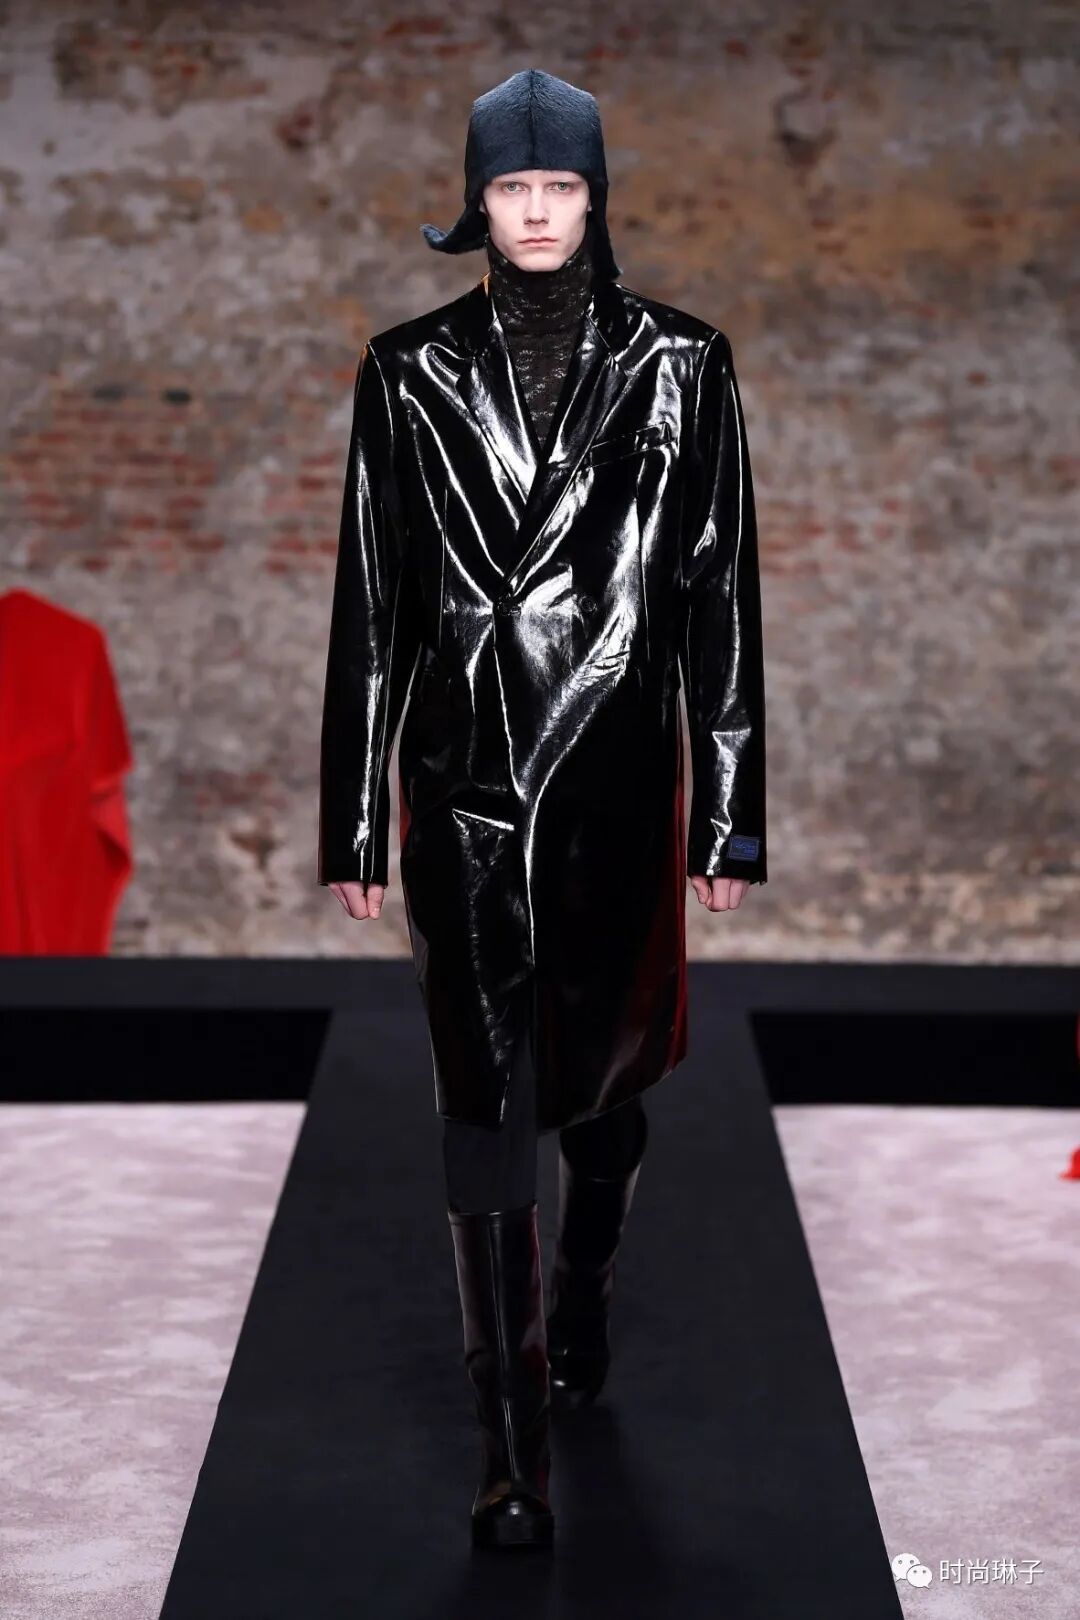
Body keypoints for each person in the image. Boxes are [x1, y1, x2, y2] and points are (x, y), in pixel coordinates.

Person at [318, 68, 767, 1551]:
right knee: (482, 1102)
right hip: (464, 796)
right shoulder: (406, 370)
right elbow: (372, 604)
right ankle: (510, 1456)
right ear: (477, 202)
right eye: (509, 189)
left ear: (593, 198)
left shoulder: (684, 366)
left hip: (618, 794)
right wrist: (353, 820)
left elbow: (720, 592)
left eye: (557, 187)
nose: (532, 212)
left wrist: (727, 817)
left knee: (608, 1097)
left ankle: (583, 1288)